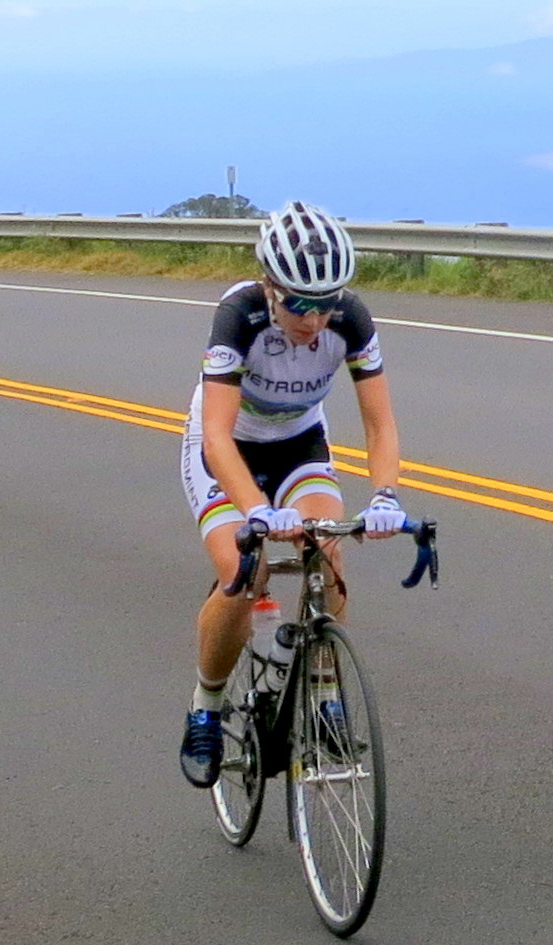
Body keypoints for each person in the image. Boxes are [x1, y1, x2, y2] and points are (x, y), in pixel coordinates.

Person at [176, 200, 406, 788]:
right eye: (301, 304)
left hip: (300, 443)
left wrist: (384, 497)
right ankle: (205, 706)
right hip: (228, 451)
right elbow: (219, 436)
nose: (316, 319)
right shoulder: (240, 316)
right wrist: (255, 511)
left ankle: (325, 692)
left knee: (327, 551)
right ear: (270, 287)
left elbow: (380, 424)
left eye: (328, 302)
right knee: (243, 570)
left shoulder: (350, 320)